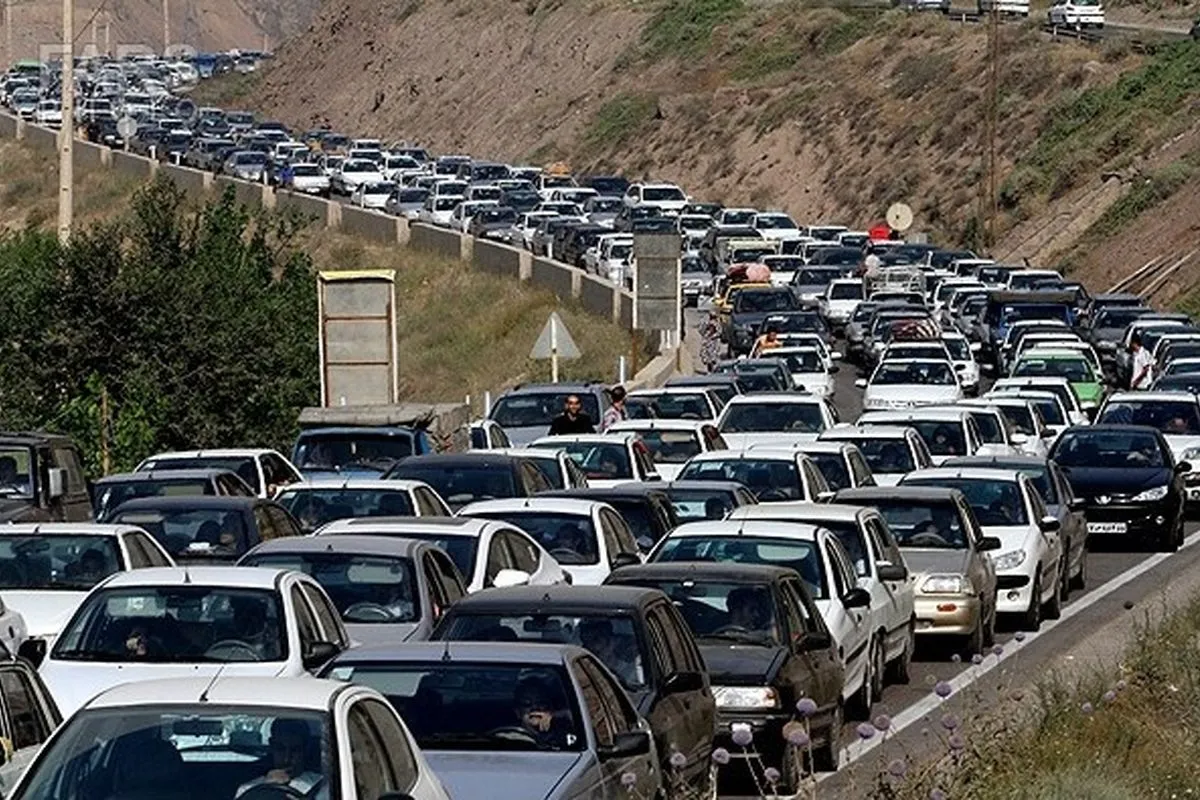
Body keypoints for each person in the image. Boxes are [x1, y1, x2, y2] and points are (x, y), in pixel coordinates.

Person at [236, 718, 327, 799]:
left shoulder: (323, 787)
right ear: (272, 746)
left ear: (305, 749)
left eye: (295, 750)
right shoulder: (248, 790)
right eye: (280, 749)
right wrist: (266, 790)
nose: (287, 758)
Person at [509, 676, 574, 749]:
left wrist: (557, 716)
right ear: (518, 712)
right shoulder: (510, 740)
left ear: (550, 708)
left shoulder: (564, 737)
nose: (535, 708)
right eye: (527, 704)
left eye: (541, 703)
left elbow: (579, 719)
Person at [578, 619, 642, 689]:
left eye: (596, 638)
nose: (590, 646)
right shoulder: (581, 658)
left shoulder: (634, 664)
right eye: (587, 640)